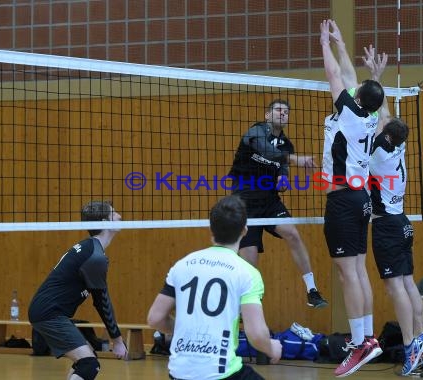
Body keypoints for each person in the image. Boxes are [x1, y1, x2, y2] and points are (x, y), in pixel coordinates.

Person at [147, 195, 282, 380]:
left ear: (211, 229)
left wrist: (182, 329)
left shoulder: (182, 265)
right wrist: (272, 347)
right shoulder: (247, 273)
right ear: (244, 230)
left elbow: (155, 319)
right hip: (219, 372)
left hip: (178, 372)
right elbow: (256, 334)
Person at [320, 19, 385, 377]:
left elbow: (334, 74)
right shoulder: (371, 115)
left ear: (357, 97)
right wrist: (343, 44)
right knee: (358, 271)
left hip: (344, 199)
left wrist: (323, 44)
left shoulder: (349, 111)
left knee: (349, 274)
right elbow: (348, 74)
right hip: (361, 199)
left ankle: (359, 344)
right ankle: (369, 339)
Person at [366, 49, 423, 375]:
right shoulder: (398, 144)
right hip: (403, 222)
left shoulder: (378, 154)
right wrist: (378, 80)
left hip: (387, 226)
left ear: (387, 135)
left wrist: (374, 82)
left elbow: (378, 117)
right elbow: (385, 116)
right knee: (407, 285)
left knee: (396, 288)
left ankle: (410, 347)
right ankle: (419, 338)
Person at [228, 98, 328, 308]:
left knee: (292, 233)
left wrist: (283, 179)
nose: (283, 113)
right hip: (244, 203)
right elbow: (268, 152)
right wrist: (296, 160)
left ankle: (312, 290)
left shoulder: (286, 145)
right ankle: (245, 310)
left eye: (286, 112)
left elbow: (281, 171)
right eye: (278, 110)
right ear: (267, 115)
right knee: (250, 265)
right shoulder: (255, 132)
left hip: (270, 201)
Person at [28, 201, 127, 380]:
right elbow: (102, 301)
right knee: (89, 364)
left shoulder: (89, 248)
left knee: (87, 360)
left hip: (48, 311)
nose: (120, 216)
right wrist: (118, 341)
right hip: (50, 313)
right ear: (105, 222)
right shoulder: (94, 257)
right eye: (114, 213)